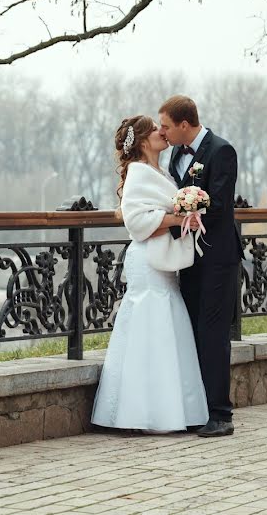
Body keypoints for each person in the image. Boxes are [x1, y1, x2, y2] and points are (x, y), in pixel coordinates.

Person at [91, 115, 209, 434]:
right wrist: (177, 217)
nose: (163, 132)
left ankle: (172, 409)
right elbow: (137, 223)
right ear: (143, 141)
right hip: (146, 260)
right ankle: (139, 412)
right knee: (148, 324)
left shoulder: (163, 171)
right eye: (156, 130)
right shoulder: (138, 173)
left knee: (167, 323)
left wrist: (187, 216)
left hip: (165, 259)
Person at [158, 95, 243, 438]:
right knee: (192, 329)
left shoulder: (222, 151)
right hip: (189, 257)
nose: (162, 133)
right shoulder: (177, 154)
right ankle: (197, 408)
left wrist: (188, 211)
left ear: (183, 124)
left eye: (165, 126)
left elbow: (220, 204)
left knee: (213, 333)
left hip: (218, 257)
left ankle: (221, 414)